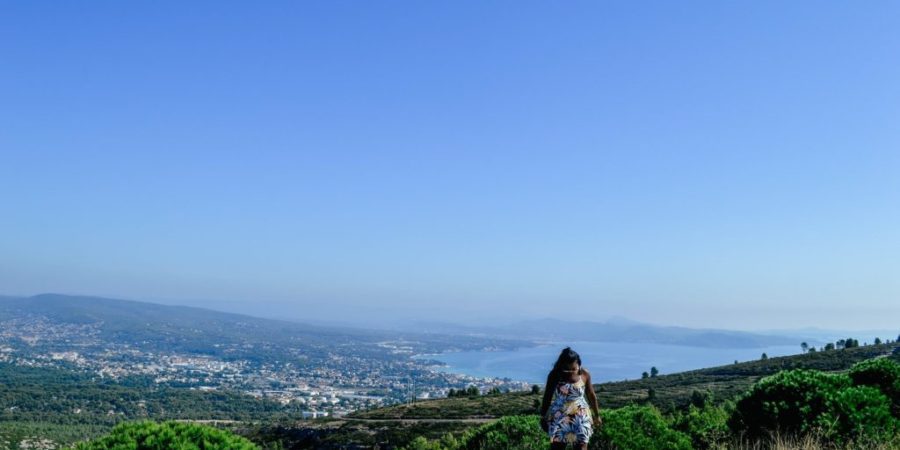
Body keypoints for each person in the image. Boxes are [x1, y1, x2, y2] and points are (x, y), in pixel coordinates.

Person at [539, 347, 601, 449]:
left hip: (581, 417)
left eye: (574, 368)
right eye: (567, 369)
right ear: (561, 365)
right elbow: (547, 396)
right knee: (557, 447)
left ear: (578, 364)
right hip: (560, 416)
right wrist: (543, 417)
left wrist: (597, 415)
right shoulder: (555, 375)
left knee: (581, 447)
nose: (570, 371)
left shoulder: (584, 374)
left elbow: (591, 395)